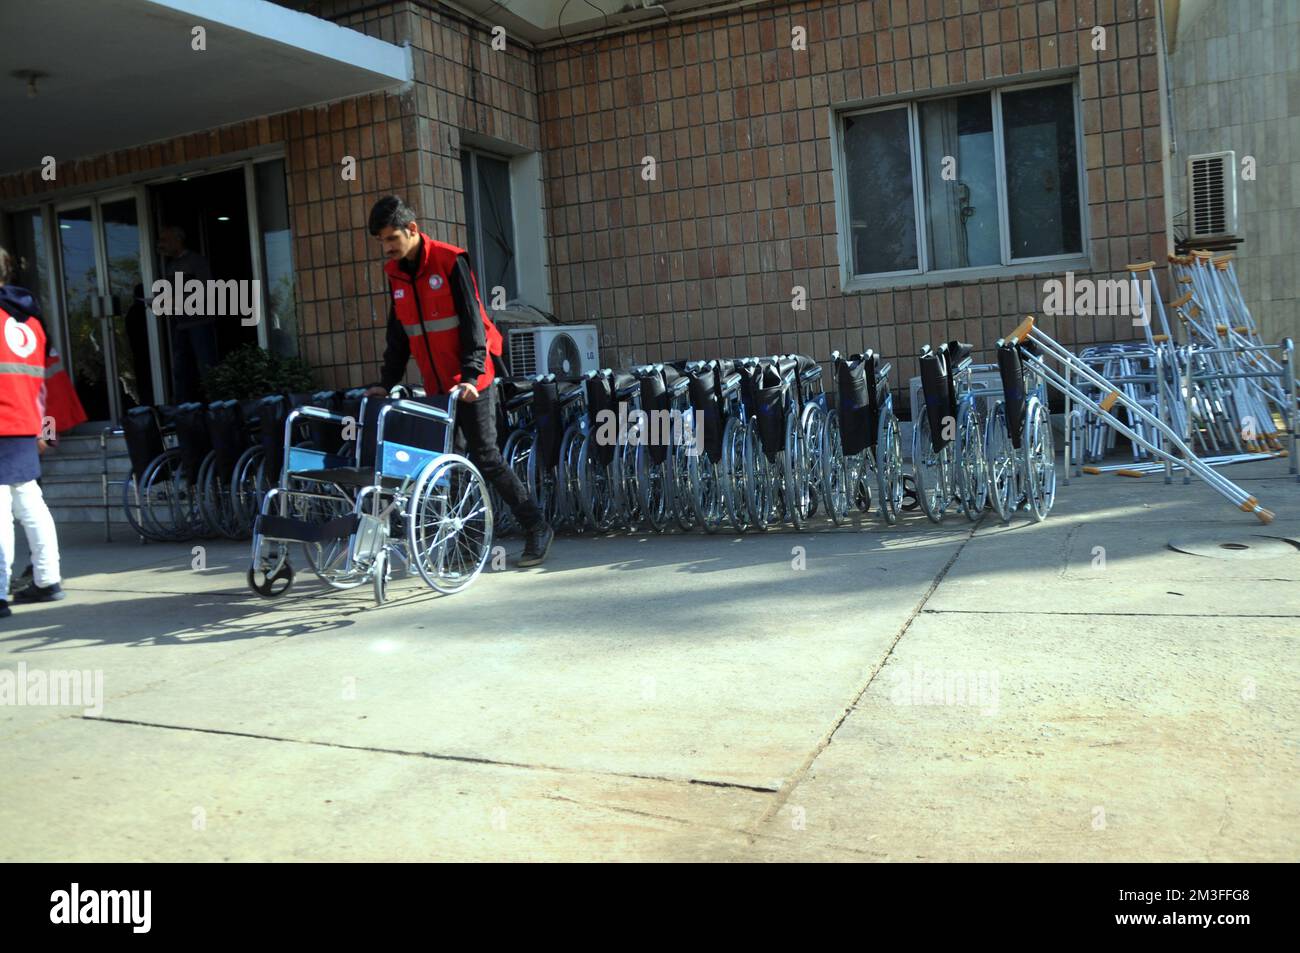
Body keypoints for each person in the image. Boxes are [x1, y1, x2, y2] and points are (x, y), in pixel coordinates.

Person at [364, 195, 553, 567]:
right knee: (445, 462)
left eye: (391, 240)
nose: (387, 249)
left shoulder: (450, 261)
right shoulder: (396, 273)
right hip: (438, 387)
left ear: (412, 230)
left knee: (486, 457)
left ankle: (537, 526)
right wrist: (386, 383)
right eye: (382, 242)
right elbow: (398, 335)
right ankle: (462, 545)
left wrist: (470, 375)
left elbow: (472, 323)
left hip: (473, 378)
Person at [0, 246, 82, 616]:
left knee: (3, 510)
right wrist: (44, 432)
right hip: (24, 427)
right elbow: (48, 384)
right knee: (30, 504)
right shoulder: (32, 322)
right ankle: (48, 580)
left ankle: (0, 593)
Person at [156, 225, 216, 403]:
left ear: (178, 240)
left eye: (165, 240)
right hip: (181, 324)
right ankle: (185, 411)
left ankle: (215, 409)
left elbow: (206, 289)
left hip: (200, 322)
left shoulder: (196, 261)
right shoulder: (170, 266)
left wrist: (177, 300)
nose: (161, 245)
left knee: (206, 368)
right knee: (181, 371)